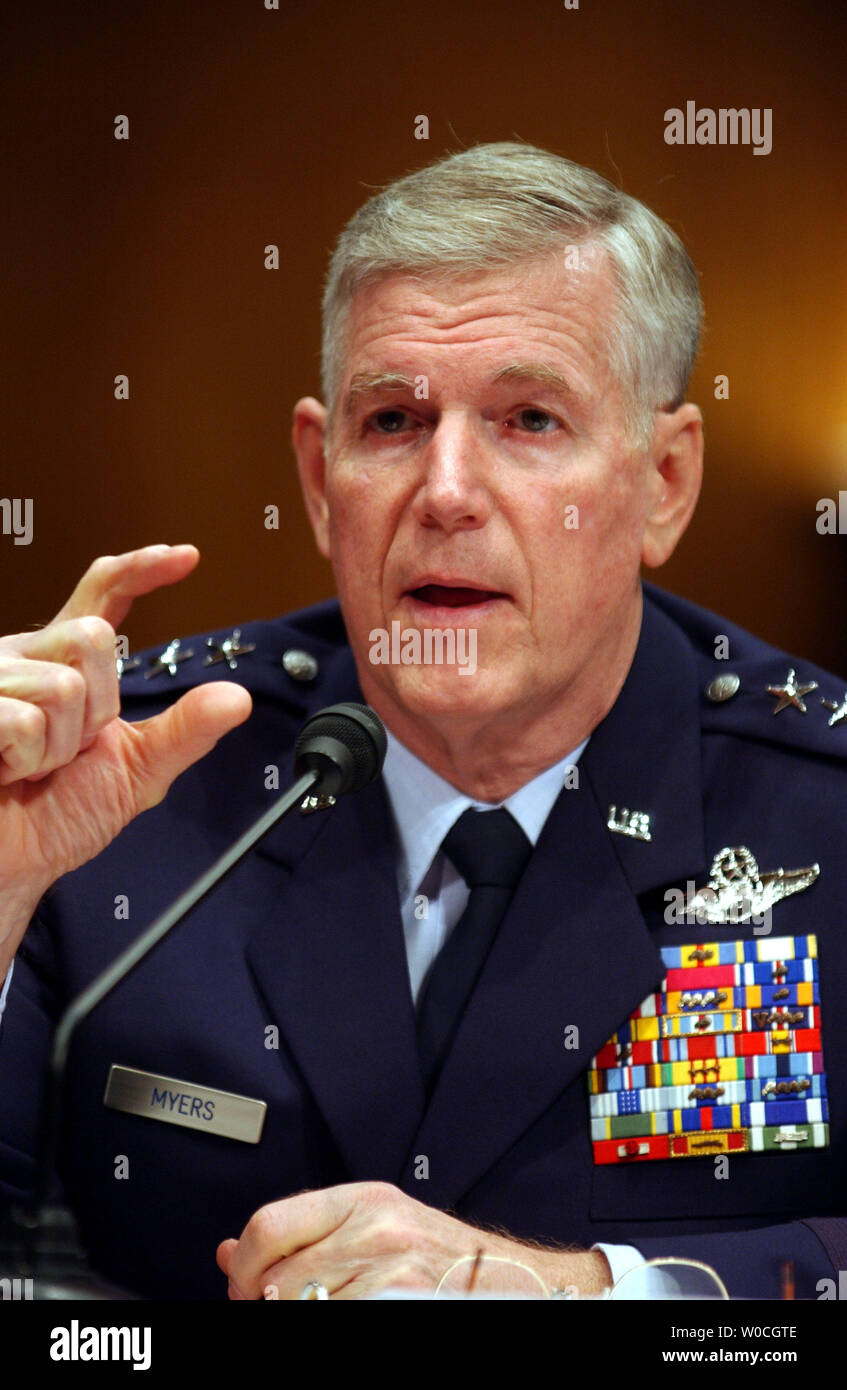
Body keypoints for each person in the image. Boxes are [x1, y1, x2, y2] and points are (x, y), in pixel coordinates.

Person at [0, 143, 843, 1301]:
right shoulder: (128, 778)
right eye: (393, 420)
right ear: (318, 474)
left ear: (663, 482)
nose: (444, 490)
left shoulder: (822, 801)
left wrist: (596, 1297)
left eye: (530, 418)